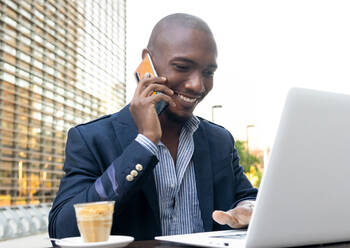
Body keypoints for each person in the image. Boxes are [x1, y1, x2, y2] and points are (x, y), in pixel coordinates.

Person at [48, 13, 257, 241]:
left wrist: (248, 208)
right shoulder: (91, 139)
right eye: (182, 67)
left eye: (208, 72)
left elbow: (246, 197)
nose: (198, 85)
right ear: (147, 62)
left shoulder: (220, 141)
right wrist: (144, 143)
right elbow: (63, 230)